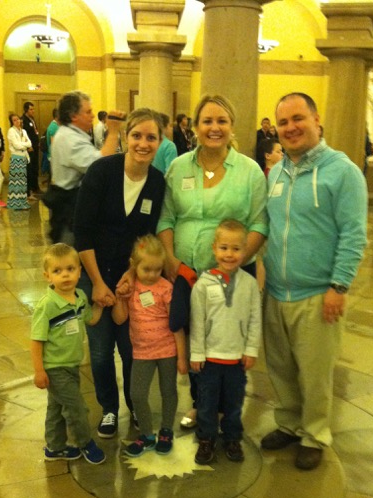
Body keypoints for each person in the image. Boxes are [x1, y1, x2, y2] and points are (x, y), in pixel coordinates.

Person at [261, 92, 368, 470]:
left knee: (316, 373)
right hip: (276, 291)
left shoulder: (343, 172)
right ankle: (289, 425)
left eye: (297, 119)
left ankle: (314, 434)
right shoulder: (275, 173)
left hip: (317, 294)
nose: (290, 128)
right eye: (283, 122)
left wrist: (338, 286)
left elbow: (354, 234)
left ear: (316, 120)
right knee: (282, 368)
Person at [157, 93, 268, 430]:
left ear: (232, 127)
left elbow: (260, 223)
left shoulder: (249, 172)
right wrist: (173, 263)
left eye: (222, 121)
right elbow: (166, 218)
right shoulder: (179, 167)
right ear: (194, 127)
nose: (214, 127)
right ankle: (200, 405)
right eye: (207, 121)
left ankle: (227, 408)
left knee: (228, 342)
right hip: (187, 275)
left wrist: (232, 265)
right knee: (196, 343)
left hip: (233, 275)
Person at [74, 108, 166, 440]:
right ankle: (110, 408)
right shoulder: (102, 172)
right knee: (100, 352)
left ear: (159, 142)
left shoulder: (157, 182)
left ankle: (134, 404)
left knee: (131, 349)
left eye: (151, 137)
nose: (143, 143)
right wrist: (97, 283)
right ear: (125, 136)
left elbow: (147, 236)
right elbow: (82, 232)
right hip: (93, 272)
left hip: (130, 277)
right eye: (137, 135)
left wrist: (130, 275)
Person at [190, 219, 261, 464]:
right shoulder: (203, 284)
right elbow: (197, 321)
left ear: (245, 250)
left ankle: (232, 437)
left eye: (235, 249)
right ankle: (206, 439)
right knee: (207, 403)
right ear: (214, 248)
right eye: (224, 248)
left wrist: (250, 349)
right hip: (209, 358)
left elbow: (254, 319)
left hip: (236, 358)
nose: (229, 254)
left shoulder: (250, 284)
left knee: (234, 402)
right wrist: (197, 353)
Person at [112, 235, 187, 457]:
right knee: (137, 394)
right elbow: (118, 319)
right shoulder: (130, 287)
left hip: (167, 351)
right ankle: (146, 434)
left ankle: (166, 430)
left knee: (168, 391)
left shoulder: (166, 289)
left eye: (157, 269)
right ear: (134, 265)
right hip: (142, 352)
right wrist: (120, 298)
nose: (153, 274)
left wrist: (182, 357)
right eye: (147, 269)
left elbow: (177, 326)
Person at [30, 243, 106, 465]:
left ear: (79, 271)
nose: (65, 275)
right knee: (77, 408)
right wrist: (39, 371)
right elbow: (36, 341)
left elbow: (90, 319)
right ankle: (85, 443)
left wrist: (101, 305)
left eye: (70, 269)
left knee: (56, 408)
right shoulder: (47, 306)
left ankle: (54, 447)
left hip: (71, 365)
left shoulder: (80, 296)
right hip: (54, 368)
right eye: (57, 271)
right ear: (47, 276)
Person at [46, 90, 125, 244]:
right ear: (74, 115)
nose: (93, 116)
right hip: (69, 209)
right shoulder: (70, 139)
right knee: (70, 257)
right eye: (88, 112)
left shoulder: (70, 135)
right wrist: (114, 131)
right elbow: (101, 166)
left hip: (71, 204)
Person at [7, 113, 32, 211]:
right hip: (16, 157)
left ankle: (22, 202)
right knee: (16, 181)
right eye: (14, 120)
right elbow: (16, 145)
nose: (17, 121)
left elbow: (29, 143)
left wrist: (24, 144)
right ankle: (15, 203)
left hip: (24, 157)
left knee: (23, 181)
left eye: (18, 119)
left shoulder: (24, 131)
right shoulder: (11, 131)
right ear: (12, 122)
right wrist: (24, 144)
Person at [22, 101, 41, 199]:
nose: (33, 111)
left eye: (33, 109)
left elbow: (35, 131)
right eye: (31, 109)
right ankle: (32, 187)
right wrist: (29, 146)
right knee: (31, 168)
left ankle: (35, 186)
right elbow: (25, 134)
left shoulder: (32, 119)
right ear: (26, 110)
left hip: (35, 146)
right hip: (29, 148)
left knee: (35, 167)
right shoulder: (24, 120)